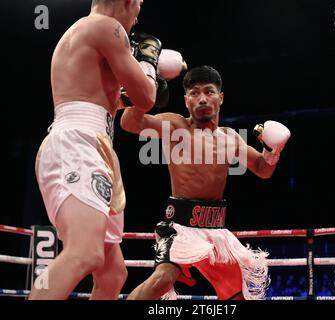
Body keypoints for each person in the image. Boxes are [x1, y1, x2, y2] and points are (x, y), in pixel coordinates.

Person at [30, 0, 164, 300]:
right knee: (84, 252)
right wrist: (148, 64)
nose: (138, 13)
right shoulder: (106, 26)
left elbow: (121, 102)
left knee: (113, 273)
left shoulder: (88, 33)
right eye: (138, 6)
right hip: (78, 143)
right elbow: (145, 97)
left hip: (96, 145)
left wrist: (144, 77)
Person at [121, 65, 291, 300]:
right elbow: (130, 123)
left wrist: (272, 152)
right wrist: (144, 88)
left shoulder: (230, 138)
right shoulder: (175, 126)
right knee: (162, 279)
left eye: (209, 92)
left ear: (220, 97)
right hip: (180, 226)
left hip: (216, 230)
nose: (201, 99)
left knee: (237, 295)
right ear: (185, 100)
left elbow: (262, 169)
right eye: (194, 93)